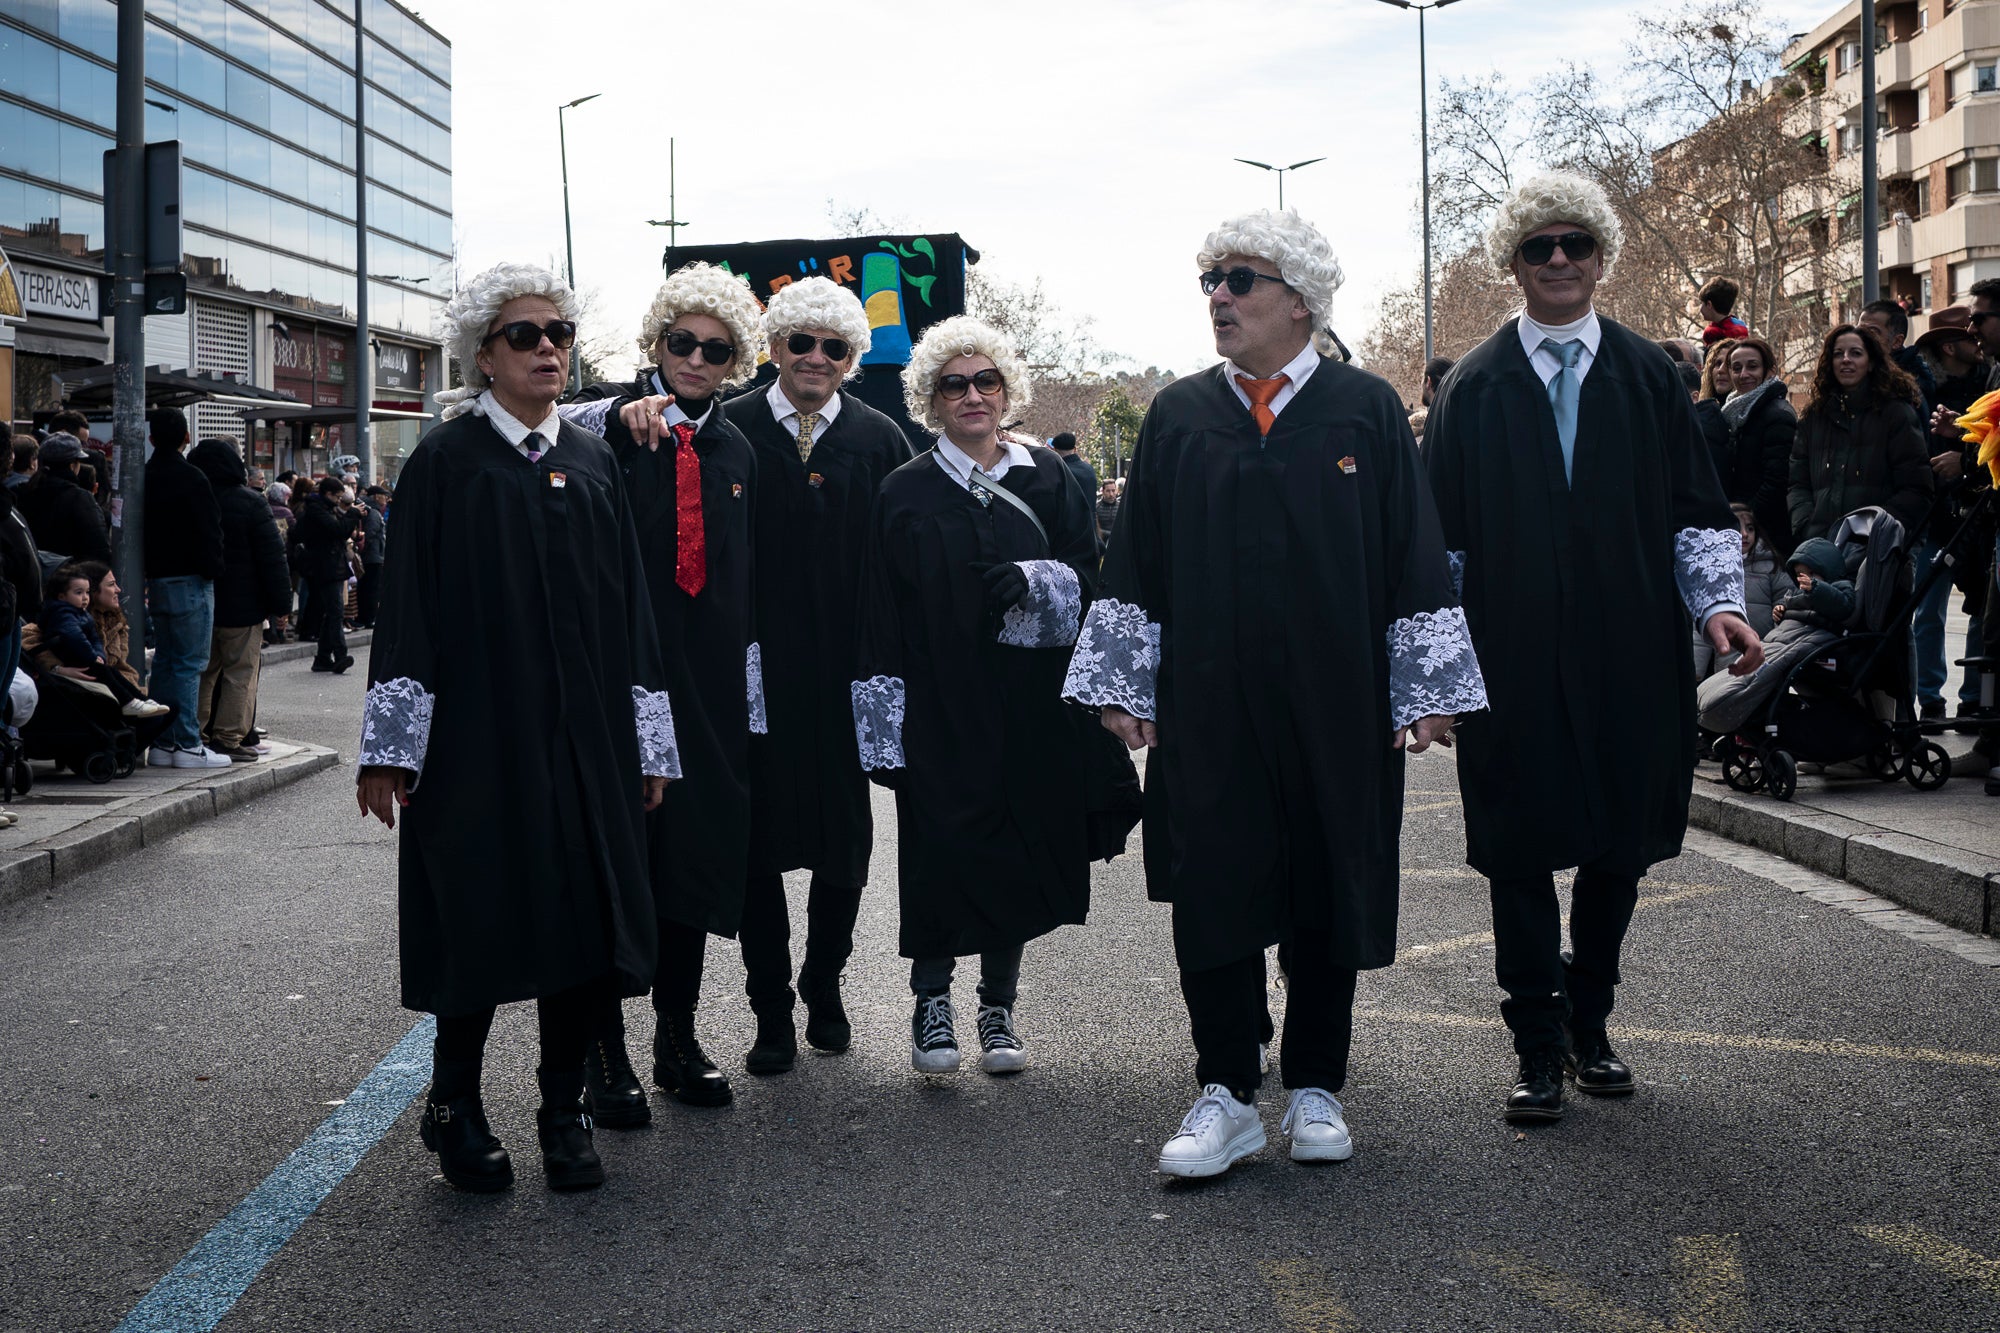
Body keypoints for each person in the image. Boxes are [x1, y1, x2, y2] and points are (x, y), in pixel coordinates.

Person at [1065, 210, 1476, 1177]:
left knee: (1330, 876)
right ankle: (1224, 1092)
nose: (1219, 297)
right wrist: (1121, 685)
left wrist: (1427, 688)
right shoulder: (1177, 415)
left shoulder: (1364, 409)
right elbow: (1136, 563)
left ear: (1299, 298)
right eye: (1210, 279)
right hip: (1207, 703)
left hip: (1338, 700)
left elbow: (1412, 554)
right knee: (1212, 879)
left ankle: (1317, 1085)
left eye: (1239, 279)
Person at [1425, 172, 1761, 1125]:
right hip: (1512, 653)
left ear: (1602, 257)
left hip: (1630, 651)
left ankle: (1591, 1021)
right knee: (1518, 849)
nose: (1560, 260)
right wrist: (1438, 670)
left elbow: (1695, 516)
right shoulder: (1474, 387)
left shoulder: (1652, 376)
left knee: (1621, 843)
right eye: (1541, 247)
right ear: (1516, 264)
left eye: (1576, 244)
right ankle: (1536, 1043)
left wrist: (1718, 609)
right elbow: (1437, 545)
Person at [356, 260, 676, 1194]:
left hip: (587, 741)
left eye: (558, 334)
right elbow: (406, 608)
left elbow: (633, 614)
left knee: (581, 918)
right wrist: (390, 750)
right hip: (479, 741)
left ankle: (562, 1110)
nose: (547, 348)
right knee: (480, 914)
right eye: (524, 335)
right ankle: (453, 1102)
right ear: (482, 355)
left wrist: (649, 740)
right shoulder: (446, 464)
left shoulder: (592, 460)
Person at [862, 314, 1137, 1081]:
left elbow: (1090, 577)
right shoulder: (905, 490)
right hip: (939, 698)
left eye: (986, 381)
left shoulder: (1048, 476)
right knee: (940, 848)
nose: (973, 395)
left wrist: (1037, 579)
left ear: (1007, 389)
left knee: (1013, 851)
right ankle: (930, 1000)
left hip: (1029, 699)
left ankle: (998, 1004)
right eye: (955, 384)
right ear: (932, 398)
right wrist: (882, 723)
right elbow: (877, 605)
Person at [555, 262, 765, 1119]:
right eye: (683, 343)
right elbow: (549, 427)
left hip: (709, 686)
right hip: (622, 682)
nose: (697, 361)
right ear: (657, 343)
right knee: (619, 860)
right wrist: (612, 410)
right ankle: (604, 1050)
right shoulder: (612, 426)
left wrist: (750, 700)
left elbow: (747, 579)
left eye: (716, 351)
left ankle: (675, 1036)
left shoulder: (738, 448)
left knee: (695, 857)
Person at [716, 276, 912, 1074]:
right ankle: (769, 1007)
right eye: (802, 342)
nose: (817, 359)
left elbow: (908, 554)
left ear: (851, 358)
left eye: (835, 348)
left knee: (844, 841)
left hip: (845, 670)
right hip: (754, 670)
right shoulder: (727, 431)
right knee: (755, 845)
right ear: (774, 347)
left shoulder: (879, 438)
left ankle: (823, 982)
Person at [1787, 324, 1934, 545]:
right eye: (1838, 354)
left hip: (1877, 551)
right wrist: (1806, 527)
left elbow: (1916, 488)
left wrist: (1871, 530)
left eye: (1855, 353)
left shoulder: (1896, 413)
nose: (1846, 359)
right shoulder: (1814, 416)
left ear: (1872, 362)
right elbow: (1797, 484)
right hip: (1820, 546)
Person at [189, 438, 289, 761]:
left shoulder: (193, 501)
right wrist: (281, 607)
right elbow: (273, 559)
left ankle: (196, 733)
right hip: (244, 609)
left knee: (203, 673)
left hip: (201, 604)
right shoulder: (251, 502)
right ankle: (228, 738)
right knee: (239, 674)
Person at [143, 407, 230, 769]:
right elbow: (209, 533)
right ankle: (188, 743)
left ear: (150, 439)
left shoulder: (143, 474)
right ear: (187, 437)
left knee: (164, 661)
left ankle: (162, 741)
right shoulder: (192, 478)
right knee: (190, 663)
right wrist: (214, 570)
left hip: (156, 578)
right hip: (191, 579)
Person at [37, 568, 167, 715]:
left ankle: (140, 699)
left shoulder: (84, 615)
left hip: (87, 661)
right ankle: (130, 702)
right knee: (107, 674)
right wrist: (91, 657)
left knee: (111, 672)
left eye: (87, 592)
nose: (85, 597)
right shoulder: (62, 614)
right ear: (61, 596)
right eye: (79, 593)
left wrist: (99, 655)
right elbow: (74, 637)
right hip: (75, 664)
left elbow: (94, 638)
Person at [1718, 335, 1796, 560]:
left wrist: (1747, 519)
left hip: (1766, 532)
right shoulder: (1736, 411)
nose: (1744, 374)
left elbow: (1777, 479)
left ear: (1769, 370)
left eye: (1752, 366)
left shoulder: (1778, 414)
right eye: (1737, 368)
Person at [16, 433, 110, 564]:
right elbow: (98, 548)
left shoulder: (24, 492)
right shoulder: (80, 498)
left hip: (34, 574)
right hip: (72, 576)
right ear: (72, 465)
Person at [296, 477, 357, 673]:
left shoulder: (324, 509)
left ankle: (323, 657)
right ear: (328, 494)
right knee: (335, 612)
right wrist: (353, 514)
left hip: (329, 567)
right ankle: (340, 655)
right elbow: (337, 530)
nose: (339, 501)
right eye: (337, 497)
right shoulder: (316, 510)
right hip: (325, 568)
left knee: (330, 612)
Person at [1860, 298, 1937, 416]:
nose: (1861, 338)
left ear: (1897, 341)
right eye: (1859, 331)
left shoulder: (1908, 390)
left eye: (1872, 332)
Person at [357, 486, 388, 628]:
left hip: (372, 556)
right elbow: (370, 534)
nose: (386, 499)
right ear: (376, 496)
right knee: (371, 589)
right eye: (383, 495)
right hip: (372, 557)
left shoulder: (372, 511)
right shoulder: (374, 513)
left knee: (369, 588)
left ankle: (368, 616)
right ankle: (369, 617)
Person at [1050, 431, 1100, 519]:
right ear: (1075, 449)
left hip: (1067, 526)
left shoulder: (1057, 471)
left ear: (1054, 450)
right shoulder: (1089, 469)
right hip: (1089, 524)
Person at [1698, 276, 1749, 346]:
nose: (1700, 308)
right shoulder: (1741, 326)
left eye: (1702, 303)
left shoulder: (1711, 333)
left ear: (1709, 304)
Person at [1095, 476, 1122, 546]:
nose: (1111, 494)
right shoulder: (1096, 507)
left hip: (1119, 543)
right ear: (1103, 491)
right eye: (1108, 491)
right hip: (1101, 544)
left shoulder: (1121, 507)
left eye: (1113, 490)